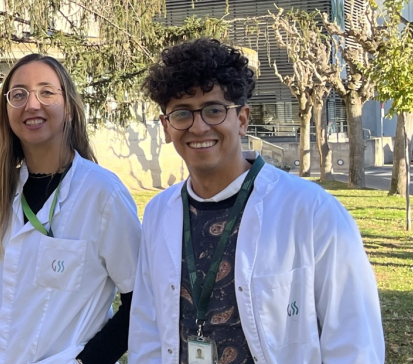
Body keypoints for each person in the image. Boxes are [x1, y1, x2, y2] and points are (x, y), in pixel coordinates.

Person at [130, 38, 384, 364]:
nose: (199, 126)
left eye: (214, 110)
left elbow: (355, 343)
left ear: (242, 119)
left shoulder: (312, 212)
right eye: (182, 114)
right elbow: (147, 328)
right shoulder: (158, 213)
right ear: (166, 127)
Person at [0, 53, 142, 364]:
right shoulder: (2, 194)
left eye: (46, 92)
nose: (32, 104)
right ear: (6, 111)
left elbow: (140, 301)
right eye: (18, 94)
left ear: (69, 107)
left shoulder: (102, 194)